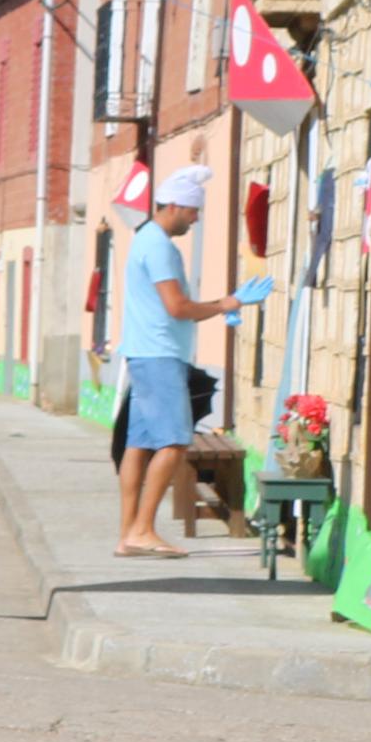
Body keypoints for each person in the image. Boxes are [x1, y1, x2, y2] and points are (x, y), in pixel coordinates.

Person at [116, 166, 256, 557]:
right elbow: (176, 307)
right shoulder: (158, 246)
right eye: (193, 211)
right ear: (175, 206)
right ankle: (143, 530)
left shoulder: (144, 238)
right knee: (176, 442)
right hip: (160, 355)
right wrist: (223, 304)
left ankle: (127, 534)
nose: (195, 219)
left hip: (146, 353)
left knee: (139, 445)